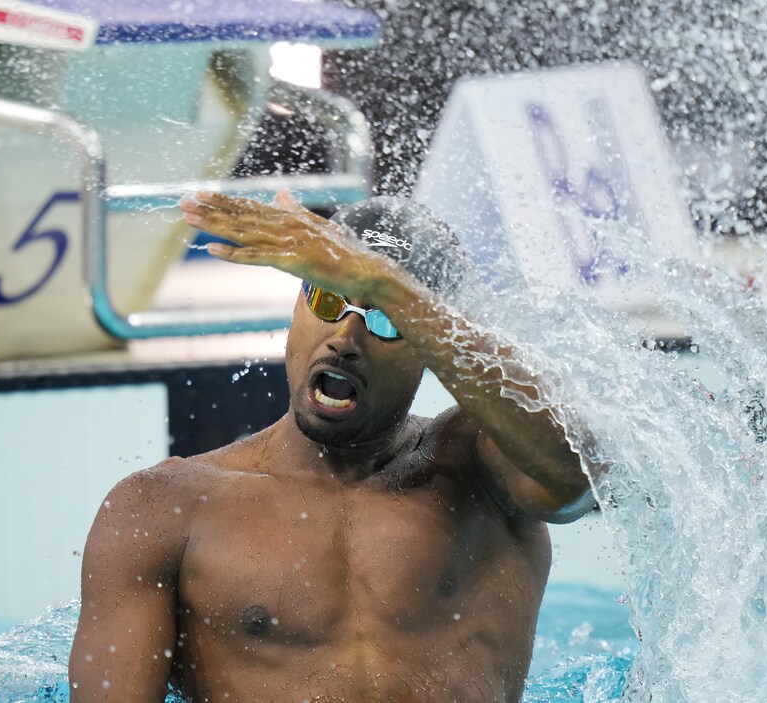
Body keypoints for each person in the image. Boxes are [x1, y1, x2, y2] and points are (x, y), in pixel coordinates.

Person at [68, 190, 594, 702]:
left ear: (432, 348)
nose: (345, 339)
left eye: (385, 319)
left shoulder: (486, 469)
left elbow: (575, 475)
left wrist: (395, 288)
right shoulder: (164, 510)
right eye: (326, 296)